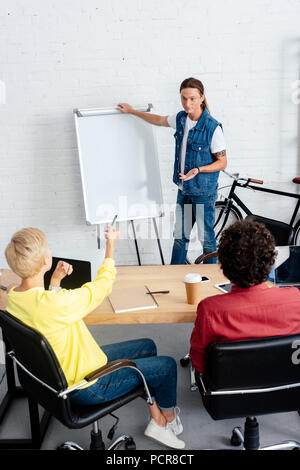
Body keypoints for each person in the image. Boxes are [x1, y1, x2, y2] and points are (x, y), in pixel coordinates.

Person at [4, 227, 185, 449]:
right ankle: (165, 420)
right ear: (45, 260)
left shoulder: (14, 297)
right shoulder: (58, 305)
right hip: (88, 385)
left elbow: (45, 310)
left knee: (148, 346)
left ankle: (154, 411)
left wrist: (56, 282)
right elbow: (103, 285)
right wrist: (111, 244)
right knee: (166, 366)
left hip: (69, 369)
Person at [117, 77, 227, 264]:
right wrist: (132, 111)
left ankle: (212, 282)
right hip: (184, 190)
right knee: (180, 237)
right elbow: (159, 120)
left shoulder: (212, 128)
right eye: (183, 98)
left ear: (202, 97)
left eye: (192, 98)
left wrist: (199, 169)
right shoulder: (181, 119)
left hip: (203, 193)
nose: (187, 103)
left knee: (206, 240)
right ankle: (174, 275)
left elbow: (222, 162)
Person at [190, 219, 300, 374]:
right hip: (284, 391)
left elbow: (198, 363)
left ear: (224, 266)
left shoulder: (210, 310)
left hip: (229, 394)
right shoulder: (295, 298)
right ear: (270, 260)